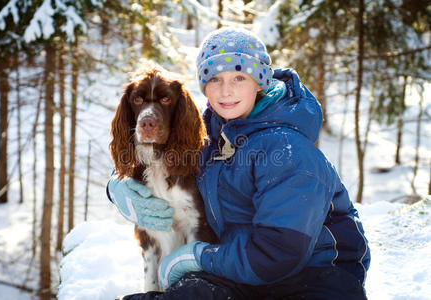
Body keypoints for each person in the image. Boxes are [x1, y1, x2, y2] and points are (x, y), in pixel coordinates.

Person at [107, 27, 370, 300]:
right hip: (240, 273)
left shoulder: (289, 150)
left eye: (239, 77)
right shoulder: (209, 132)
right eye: (215, 79)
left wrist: (200, 257)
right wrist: (117, 185)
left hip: (314, 277)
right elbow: (153, 153)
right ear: (204, 85)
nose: (226, 91)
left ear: (260, 81)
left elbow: (280, 252)